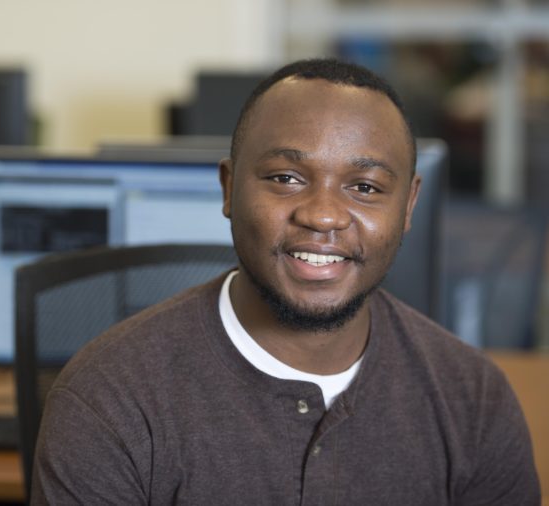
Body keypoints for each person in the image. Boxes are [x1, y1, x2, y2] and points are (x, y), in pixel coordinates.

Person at [32, 58, 540, 505]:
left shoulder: (473, 398)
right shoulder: (108, 397)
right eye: (286, 178)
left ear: (407, 207)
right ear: (230, 188)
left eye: (364, 187)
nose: (322, 216)